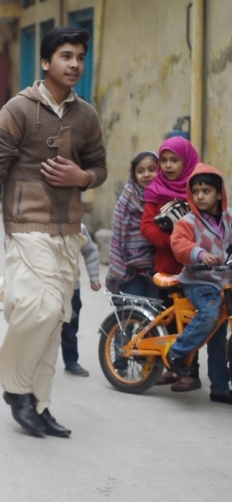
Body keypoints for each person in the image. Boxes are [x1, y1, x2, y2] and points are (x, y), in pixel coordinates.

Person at [0, 27, 107, 438]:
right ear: (45, 62)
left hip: (68, 229)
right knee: (39, 310)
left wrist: (82, 176)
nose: (74, 64)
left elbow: (99, 167)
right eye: (66, 56)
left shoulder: (86, 116)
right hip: (26, 224)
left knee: (57, 319)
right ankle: (15, 390)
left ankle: (40, 404)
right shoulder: (18, 109)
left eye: (80, 57)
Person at [167, 164, 232, 404]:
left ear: (219, 193)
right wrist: (200, 254)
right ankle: (178, 352)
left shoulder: (229, 218)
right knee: (210, 312)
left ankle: (220, 388)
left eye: (206, 191)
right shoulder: (187, 222)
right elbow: (179, 244)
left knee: (218, 336)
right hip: (198, 281)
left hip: (224, 283)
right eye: (196, 191)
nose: (200, 196)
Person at [141, 136, 201, 390]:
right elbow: (146, 226)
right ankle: (170, 368)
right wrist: (172, 241)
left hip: (192, 268)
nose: (167, 165)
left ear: (186, 161)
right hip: (165, 267)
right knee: (166, 317)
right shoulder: (155, 191)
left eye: (174, 160)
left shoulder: (198, 189)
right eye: (164, 160)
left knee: (189, 320)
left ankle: (190, 373)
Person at [106, 150, 159, 296]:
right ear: (134, 176)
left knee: (157, 315)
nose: (146, 174)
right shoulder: (127, 198)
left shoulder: (165, 197)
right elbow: (117, 234)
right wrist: (118, 266)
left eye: (152, 169)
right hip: (131, 271)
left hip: (160, 270)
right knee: (133, 314)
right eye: (140, 171)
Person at [60, 224, 101, 376]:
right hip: (48, 286)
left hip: (72, 287)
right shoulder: (44, 226)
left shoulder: (79, 228)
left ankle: (71, 361)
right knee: (44, 326)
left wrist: (94, 276)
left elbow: (90, 252)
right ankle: (38, 361)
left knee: (70, 328)